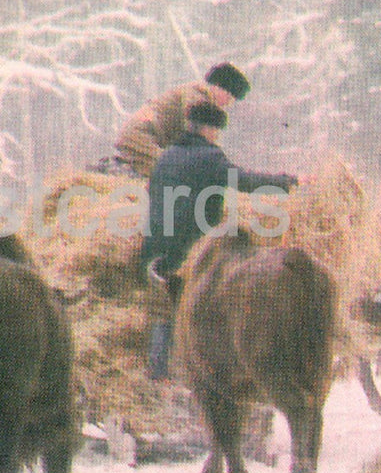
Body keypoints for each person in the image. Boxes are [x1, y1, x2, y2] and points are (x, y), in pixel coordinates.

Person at [140, 100, 298, 382]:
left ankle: (158, 375)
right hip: (189, 250)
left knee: (164, 311)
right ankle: (202, 374)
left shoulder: (166, 156)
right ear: (210, 130)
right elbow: (245, 181)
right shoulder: (209, 157)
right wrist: (287, 183)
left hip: (155, 249)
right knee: (203, 309)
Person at [112, 62, 252, 179]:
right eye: (229, 97)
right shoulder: (197, 97)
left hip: (145, 137)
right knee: (174, 174)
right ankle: (117, 169)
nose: (228, 103)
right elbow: (201, 139)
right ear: (218, 86)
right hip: (141, 136)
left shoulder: (196, 93)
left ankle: (122, 167)